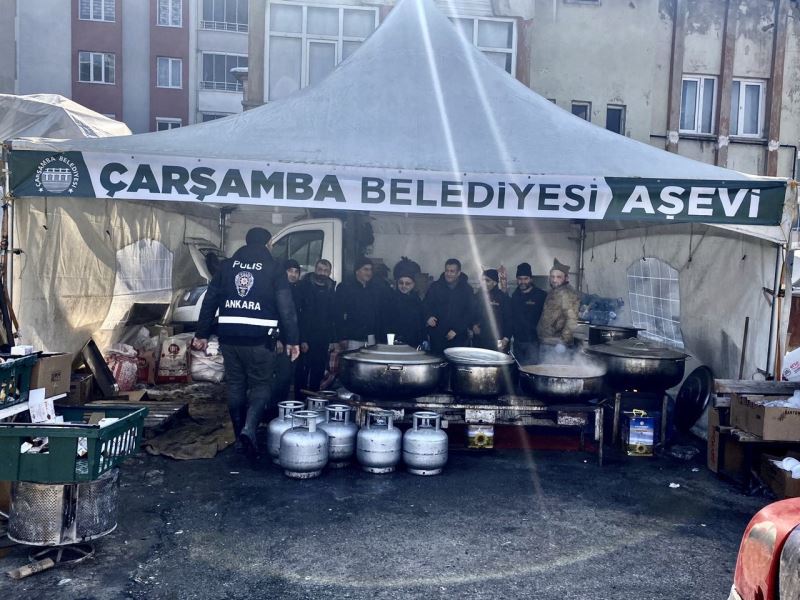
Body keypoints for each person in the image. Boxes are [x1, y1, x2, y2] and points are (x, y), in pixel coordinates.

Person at [193, 227, 299, 458]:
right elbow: (286, 307)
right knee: (261, 385)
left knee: (236, 385)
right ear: (268, 243)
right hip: (261, 340)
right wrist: (292, 340)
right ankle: (249, 429)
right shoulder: (274, 268)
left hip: (229, 338)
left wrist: (201, 334)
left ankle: (238, 432)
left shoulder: (227, 266)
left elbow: (210, 300)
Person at [296, 258, 336, 392]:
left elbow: (333, 317)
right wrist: (303, 339)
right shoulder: (303, 286)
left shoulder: (331, 289)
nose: (322, 273)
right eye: (320, 270)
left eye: (326, 271)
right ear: (315, 270)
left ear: (329, 272)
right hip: (306, 337)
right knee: (302, 372)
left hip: (323, 339)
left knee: (318, 371)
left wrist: (332, 340)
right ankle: (299, 403)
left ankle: (313, 401)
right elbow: (300, 315)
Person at [424, 258, 474, 355]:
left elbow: (470, 312)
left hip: (458, 337)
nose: (449, 274)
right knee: (438, 365)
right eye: (447, 270)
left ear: (458, 273)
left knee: (455, 366)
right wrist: (428, 317)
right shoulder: (435, 287)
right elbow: (426, 305)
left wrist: (457, 330)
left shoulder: (467, 290)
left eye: (452, 271)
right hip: (437, 335)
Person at [334, 257, 384, 350]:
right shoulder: (345, 287)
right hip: (352, 337)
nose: (369, 273)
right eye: (365, 269)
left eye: (370, 270)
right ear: (357, 271)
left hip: (371, 337)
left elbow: (378, 313)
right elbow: (338, 314)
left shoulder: (375, 289)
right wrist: (341, 337)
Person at [537, 258, 581, 363]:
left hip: (556, 345)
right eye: (552, 276)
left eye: (558, 277)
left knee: (554, 375)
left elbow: (572, 320)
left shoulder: (568, 294)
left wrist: (563, 342)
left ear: (566, 278)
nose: (554, 280)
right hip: (547, 342)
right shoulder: (553, 291)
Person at [273, 259, 303, 406]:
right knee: (281, 377)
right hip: (280, 341)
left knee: (288, 377)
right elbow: (274, 315)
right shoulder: (276, 290)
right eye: (290, 271)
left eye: (296, 272)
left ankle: (283, 408)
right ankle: (274, 411)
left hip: (294, 343)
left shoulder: (299, 291)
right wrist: (276, 338)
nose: (293, 274)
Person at [510, 262, 547, 365]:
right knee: (518, 369)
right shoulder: (515, 295)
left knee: (532, 370)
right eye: (520, 279)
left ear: (531, 279)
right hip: (517, 342)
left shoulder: (541, 295)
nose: (522, 282)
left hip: (534, 342)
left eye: (525, 278)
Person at [382, 261, 425, 348]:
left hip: (413, 343)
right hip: (395, 343)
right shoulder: (391, 300)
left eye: (407, 283)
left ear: (413, 284)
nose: (404, 286)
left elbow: (420, 323)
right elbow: (386, 324)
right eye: (401, 283)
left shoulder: (417, 300)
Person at [472, 269, 512, 351]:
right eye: (482, 280)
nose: (484, 283)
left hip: (499, 340)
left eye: (487, 280)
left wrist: (506, 338)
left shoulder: (503, 297)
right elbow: (469, 314)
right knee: (479, 362)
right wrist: (472, 325)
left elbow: (510, 319)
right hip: (479, 340)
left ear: (495, 283)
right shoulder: (476, 296)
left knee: (497, 361)